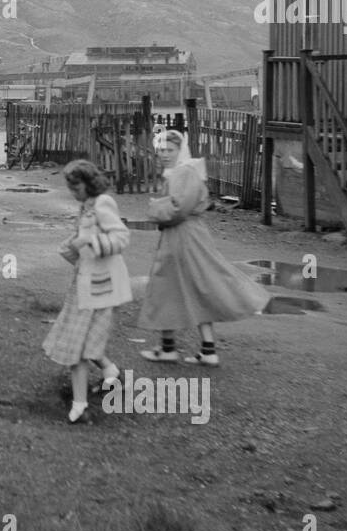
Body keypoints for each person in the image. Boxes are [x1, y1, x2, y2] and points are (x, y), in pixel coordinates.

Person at [138, 129, 268, 364]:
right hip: (186, 235)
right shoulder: (184, 172)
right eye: (161, 150)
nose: (164, 154)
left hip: (182, 236)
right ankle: (205, 350)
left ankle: (170, 349)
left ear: (180, 150)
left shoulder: (184, 172)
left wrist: (155, 208)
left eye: (170, 150)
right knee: (194, 286)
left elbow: (179, 208)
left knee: (169, 286)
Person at [42, 158, 131, 423]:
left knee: (77, 345)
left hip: (100, 286)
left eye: (76, 186)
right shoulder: (87, 205)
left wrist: (89, 241)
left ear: (89, 182)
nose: (73, 192)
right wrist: (72, 246)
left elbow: (122, 237)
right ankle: (110, 371)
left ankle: (80, 406)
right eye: (70, 188)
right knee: (81, 339)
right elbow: (83, 241)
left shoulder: (103, 203)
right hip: (84, 283)